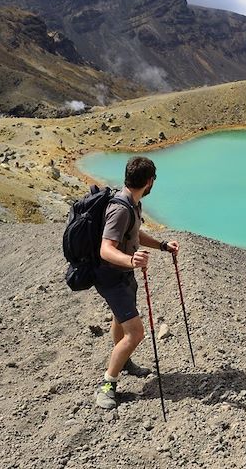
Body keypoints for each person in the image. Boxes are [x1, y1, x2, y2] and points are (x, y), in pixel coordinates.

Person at [94, 156, 179, 410]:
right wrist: (131, 260)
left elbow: (134, 233)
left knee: (120, 320)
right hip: (112, 278)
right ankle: (108, 385)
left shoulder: (133, 204)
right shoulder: (121, 209)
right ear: (149, 181)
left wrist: (162, 246)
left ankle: (123, 360)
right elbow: (105, 249)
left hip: (122, 275)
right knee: (137, 332)